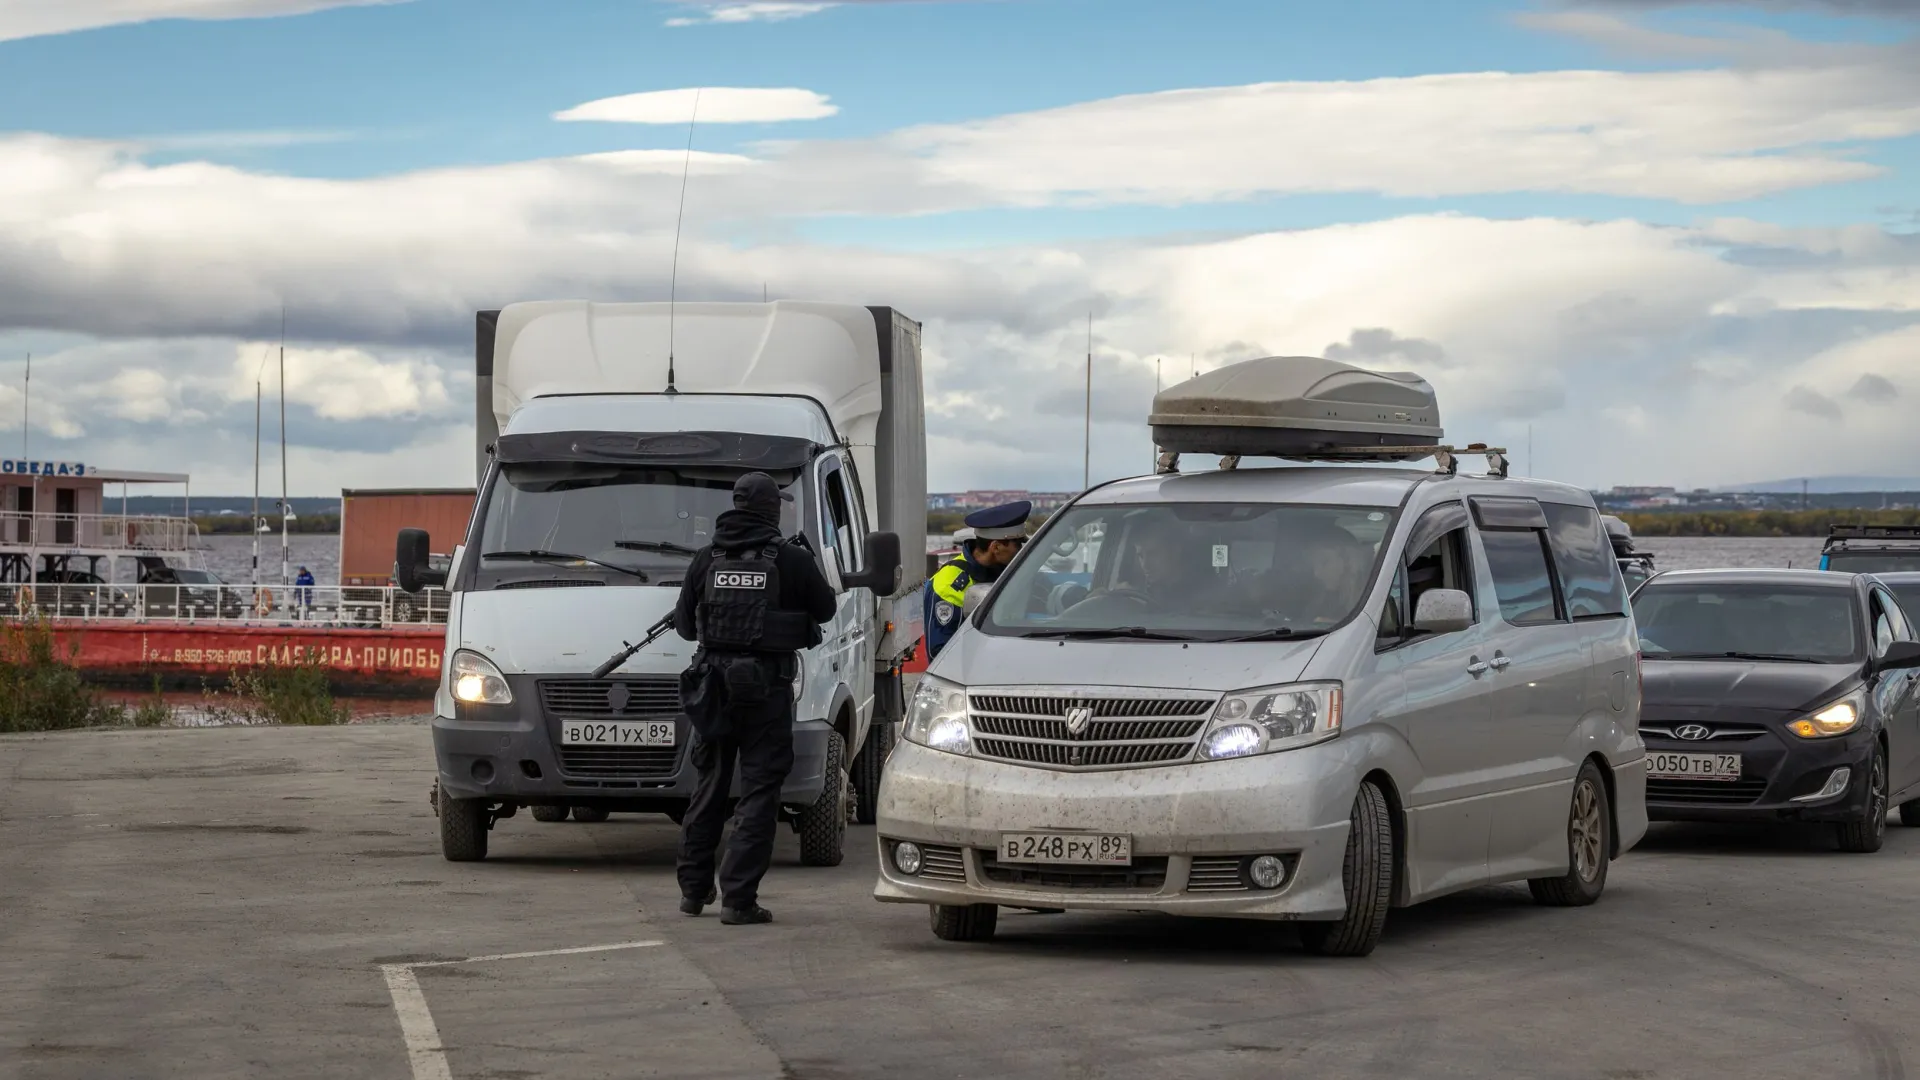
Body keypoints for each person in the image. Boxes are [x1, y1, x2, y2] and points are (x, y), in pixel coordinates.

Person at [672, 472, 837, 926]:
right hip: (766, 690)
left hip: (712, 687)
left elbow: (687, 628)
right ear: (770, 511)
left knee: (709, 787)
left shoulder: (705, 560)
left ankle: (692, 892)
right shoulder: (791, 559)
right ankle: (738, 900)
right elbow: (826, 610)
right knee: (760, 793)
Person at [924, 501, 1031, 660]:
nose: (1020, 551)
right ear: (995, 547)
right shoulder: (949, 586)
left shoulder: (1004, 571)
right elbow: (940, 652)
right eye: (1017, 545)